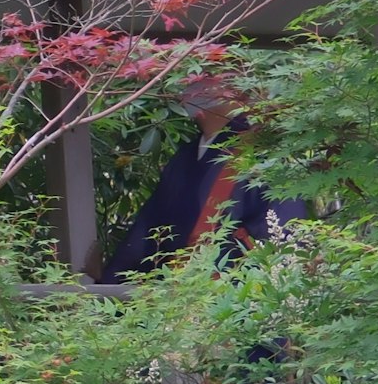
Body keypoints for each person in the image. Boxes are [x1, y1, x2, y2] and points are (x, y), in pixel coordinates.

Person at [97, 70, 308, 279]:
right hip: (180, 291)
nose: (190, 86)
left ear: (234, 90)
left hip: (237, 292)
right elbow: (148, 231)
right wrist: (112, 281)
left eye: (205, 77)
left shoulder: (263, 151)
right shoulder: (184, 158)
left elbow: (285, 228)